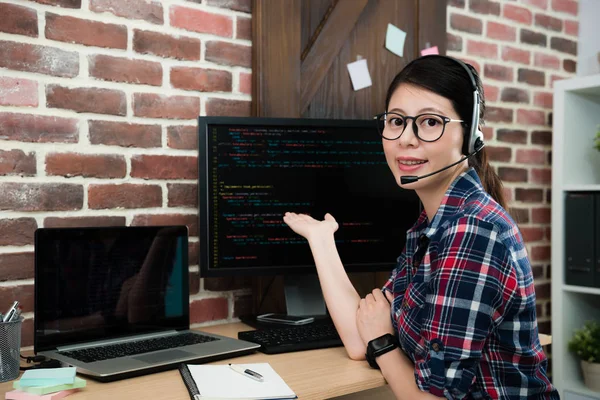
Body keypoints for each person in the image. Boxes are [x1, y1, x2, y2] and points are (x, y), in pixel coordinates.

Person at [283, 55, 558, 399]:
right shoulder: (431, 225)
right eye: (396, 121)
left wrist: (383, 343)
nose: (406, 139)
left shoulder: (471, 231)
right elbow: (359, 339)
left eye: (430, 122)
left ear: (470, 134)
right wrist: (321, 239)